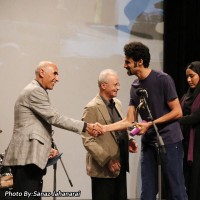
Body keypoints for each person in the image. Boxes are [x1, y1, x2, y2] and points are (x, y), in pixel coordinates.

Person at [2, 61, 103, 200]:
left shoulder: (35, 90)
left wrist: (47, 147)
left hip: (29, 160)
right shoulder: (35, 90)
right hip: (27, 160)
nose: (57, 78)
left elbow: (34, 126)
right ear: (42, 72)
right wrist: (86, 126)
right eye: (55, 73)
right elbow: (55, 118)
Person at [104, 42, 188, 200]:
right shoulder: (134, 86)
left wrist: (150, 124)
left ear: (139, 61)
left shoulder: (163, 79)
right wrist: (104, 128)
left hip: (170, 141)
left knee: (177, 190)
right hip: (149, 143)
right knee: (147, 192)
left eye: (127, 62)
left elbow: (178, 112)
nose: (124, 65)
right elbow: (129, 120)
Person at [81, 69, 138, 200]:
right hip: (103, 170)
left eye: (118, 84)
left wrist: (128, 140)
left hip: (120, 165)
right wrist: (107, 160)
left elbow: (120, 126)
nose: (118, 87)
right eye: (115, 84)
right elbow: (87, 139)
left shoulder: (117, 103)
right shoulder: (92, 107)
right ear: (103, 85)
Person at [179, 61, 200, 200]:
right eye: (187, 77)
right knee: (187, 180)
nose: (188, 80)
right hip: (185, 143)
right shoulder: (186, 96)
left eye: (192, 76)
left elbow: (195, 117)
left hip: (198, 145)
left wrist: (174, 120)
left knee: (196, 180)